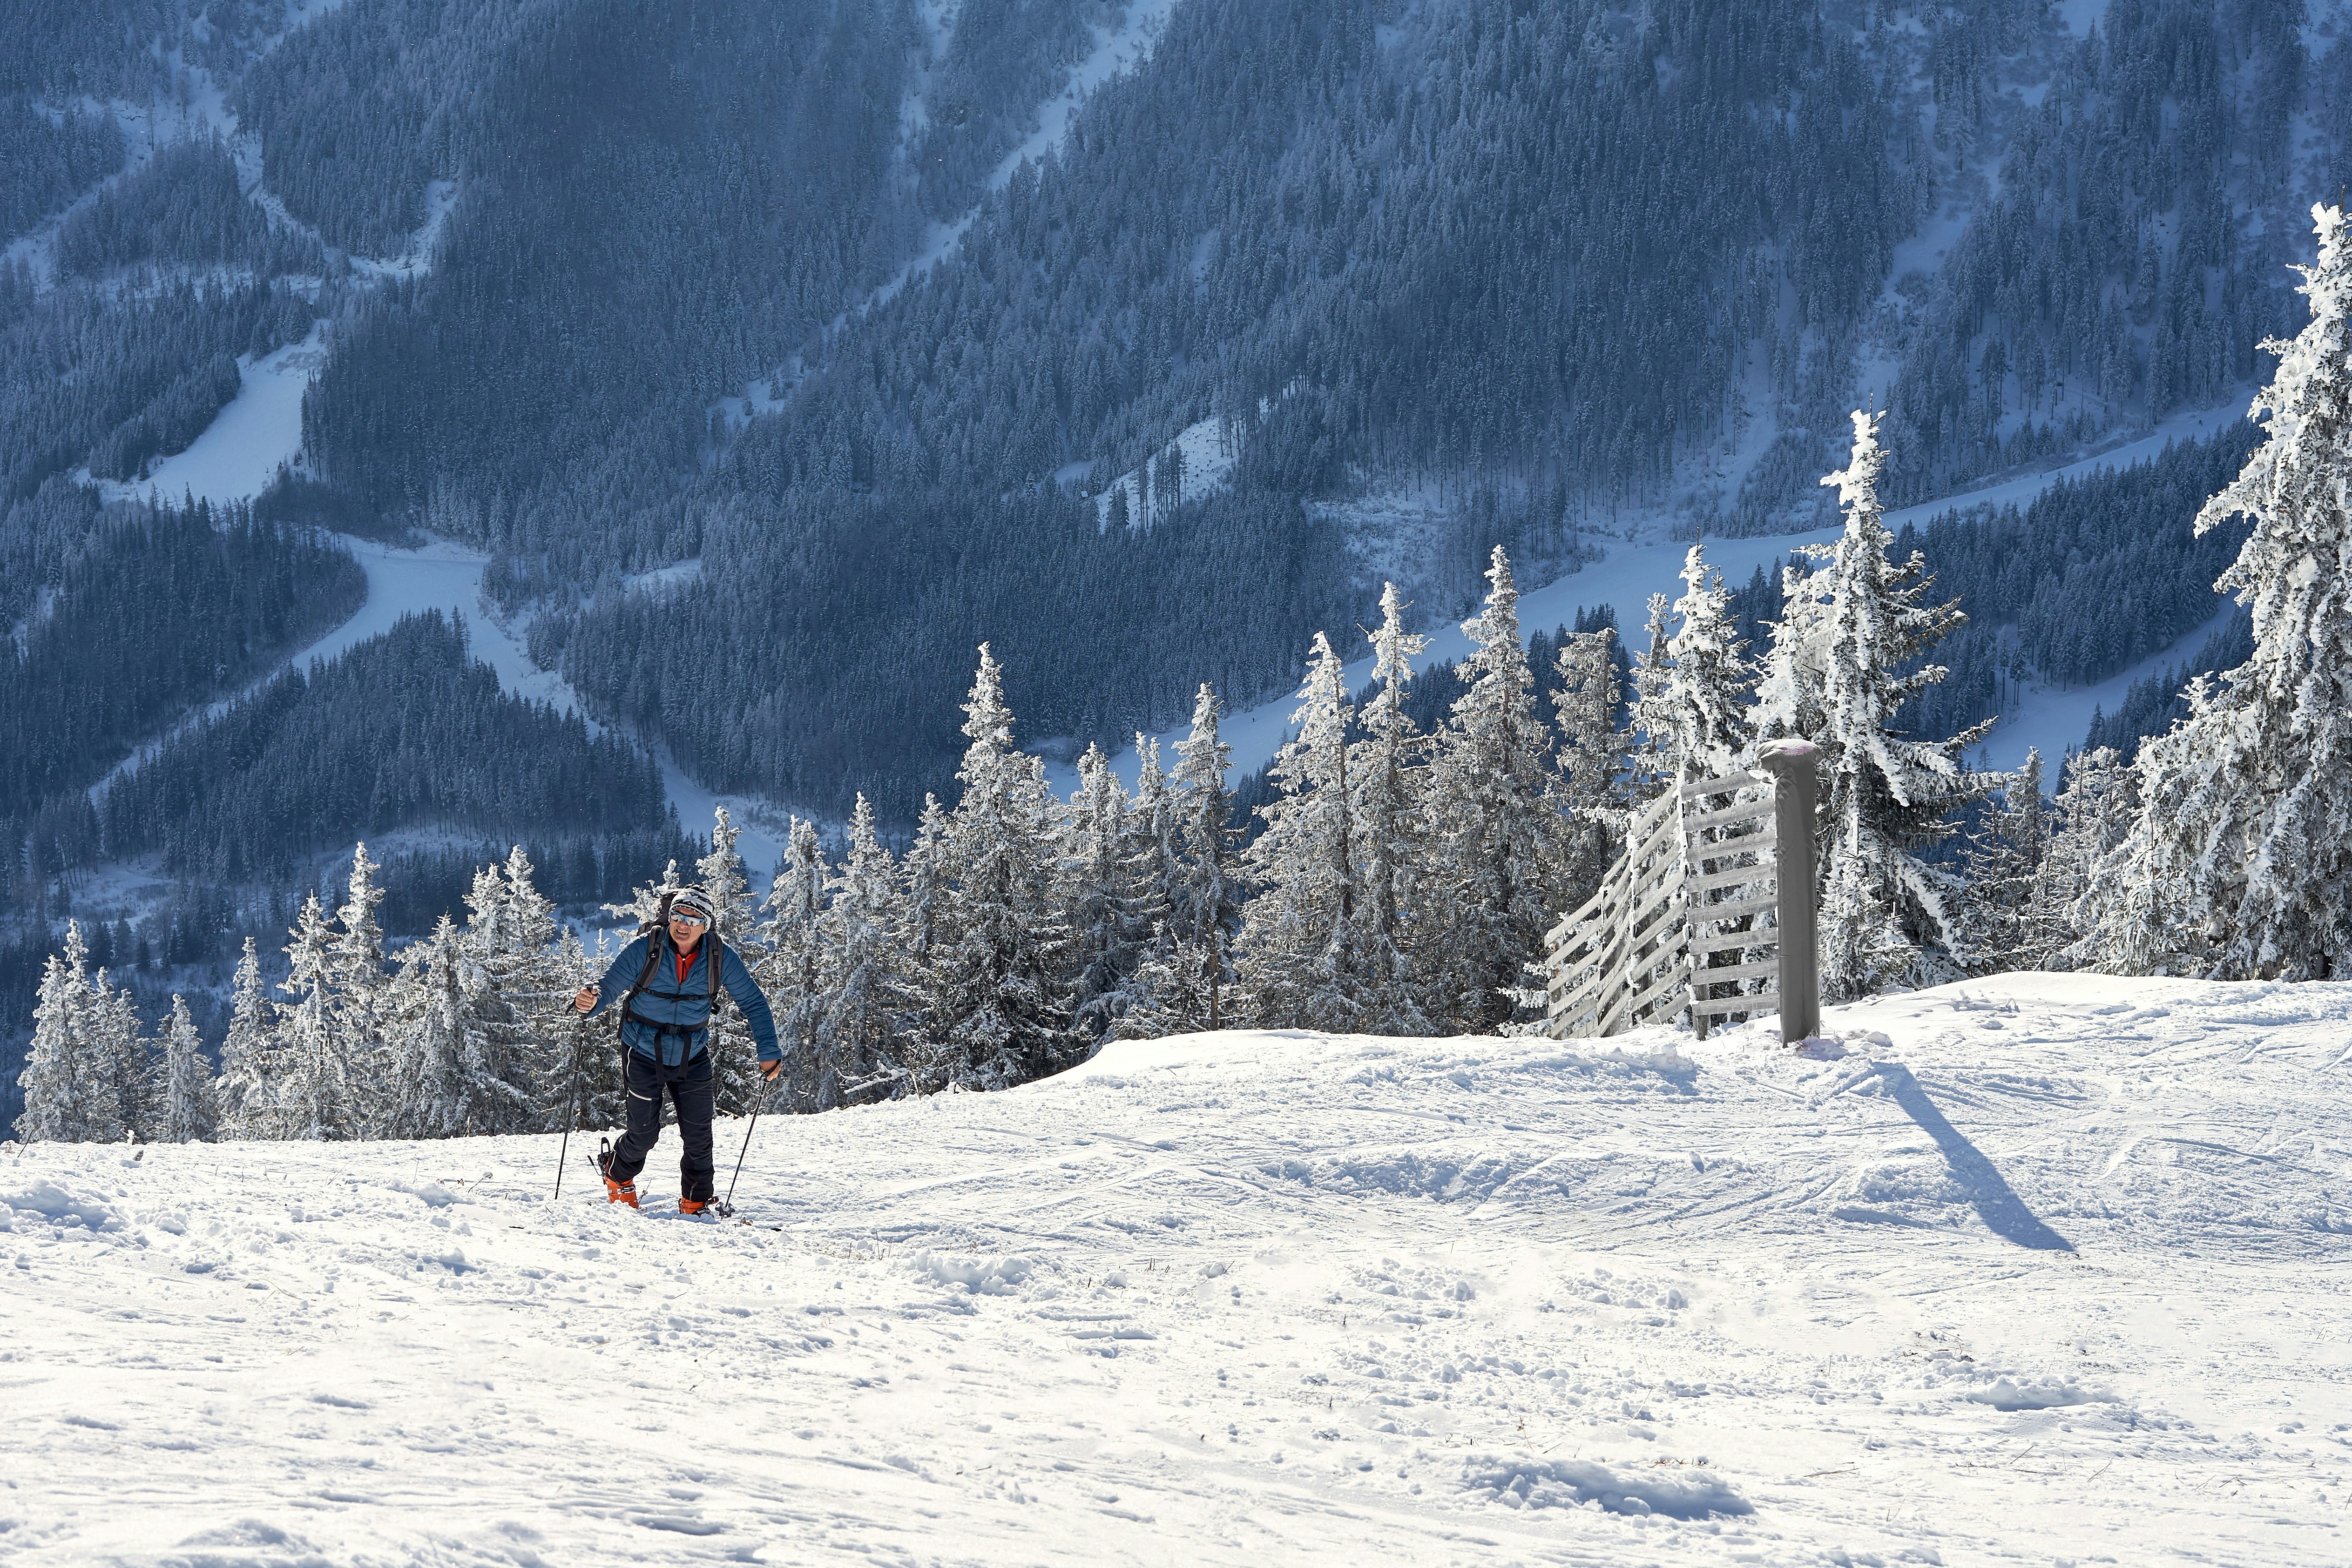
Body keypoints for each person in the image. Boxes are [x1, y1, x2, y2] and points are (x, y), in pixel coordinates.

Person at [572, 885, 781, 1213]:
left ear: (706, 925)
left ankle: (696, 1202)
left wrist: (768, 1050)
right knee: (644, 1134)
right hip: (641, 1050)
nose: (683, 924)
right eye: (678, 916)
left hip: (692, 1052)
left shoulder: (719, 958)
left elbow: (754, 1002)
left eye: (693, 918)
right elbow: (609, 984)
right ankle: (617, 1173)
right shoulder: (647, 949)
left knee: (699, 1136)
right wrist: (592, 1000)